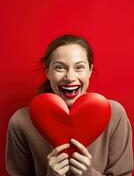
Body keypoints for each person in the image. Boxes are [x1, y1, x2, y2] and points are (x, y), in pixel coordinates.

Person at [6, 34, 133, 176]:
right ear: (47, 71)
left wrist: (89, 174)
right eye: (60, 68)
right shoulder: (21, 121)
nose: (70, 77)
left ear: (90, 71)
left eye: (79, 67)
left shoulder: (114, 114)